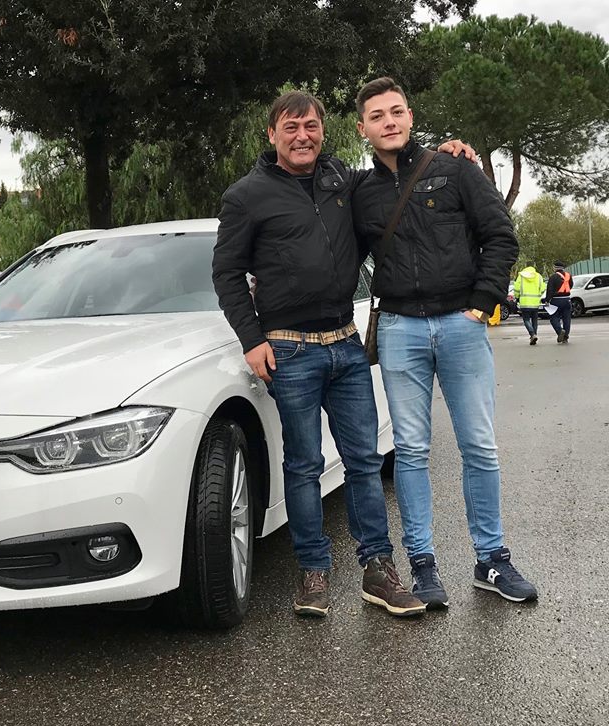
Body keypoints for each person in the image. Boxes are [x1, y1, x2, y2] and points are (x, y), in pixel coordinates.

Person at [213, 90, 434, 618]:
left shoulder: (343, 183)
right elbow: (226, 274)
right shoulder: (246, 197)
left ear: (323, 131)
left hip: (346, 345)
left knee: (364, 462)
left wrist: (440, 153)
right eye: (290, 128)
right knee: (304, 465)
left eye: (310, 126)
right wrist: (252, 340)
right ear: (272, 134)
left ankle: (378, 569)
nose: (302, 136)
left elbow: (393, 172)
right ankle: (313, 572)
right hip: (289, 351)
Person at [352, 76, 537, 607]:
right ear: (363, 128)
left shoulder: (455, 169)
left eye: (397, 111)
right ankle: (423, 566)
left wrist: (483, 300)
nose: (389, 121)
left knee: (478, 444)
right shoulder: (358, 192)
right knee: (410, 451)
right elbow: (334, 253)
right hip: (399, 328)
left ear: (410, 116)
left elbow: (500, 235)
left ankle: (492, 559)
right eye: (377, 116)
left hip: (461, 323)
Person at [513, 264, 546, 344]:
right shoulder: (538, 276)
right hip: (535, 302)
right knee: (535, 320)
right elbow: (543, 288)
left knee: (526, 320)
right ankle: (534, 335)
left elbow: (516, 288)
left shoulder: (521, 276)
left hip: (524, 302)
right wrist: (538, 295)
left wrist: (517, 296)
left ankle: (532, 334)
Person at [543, 261, 574, 343]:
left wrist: (547, 300)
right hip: (567, 299)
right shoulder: (568, 276)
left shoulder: (553, 277)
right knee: (566, 319)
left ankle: (560, 331)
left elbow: (550, 290)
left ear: (555, 268)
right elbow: (571, 285)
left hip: (556, 300)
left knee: (554, 318)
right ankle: (565, 337)